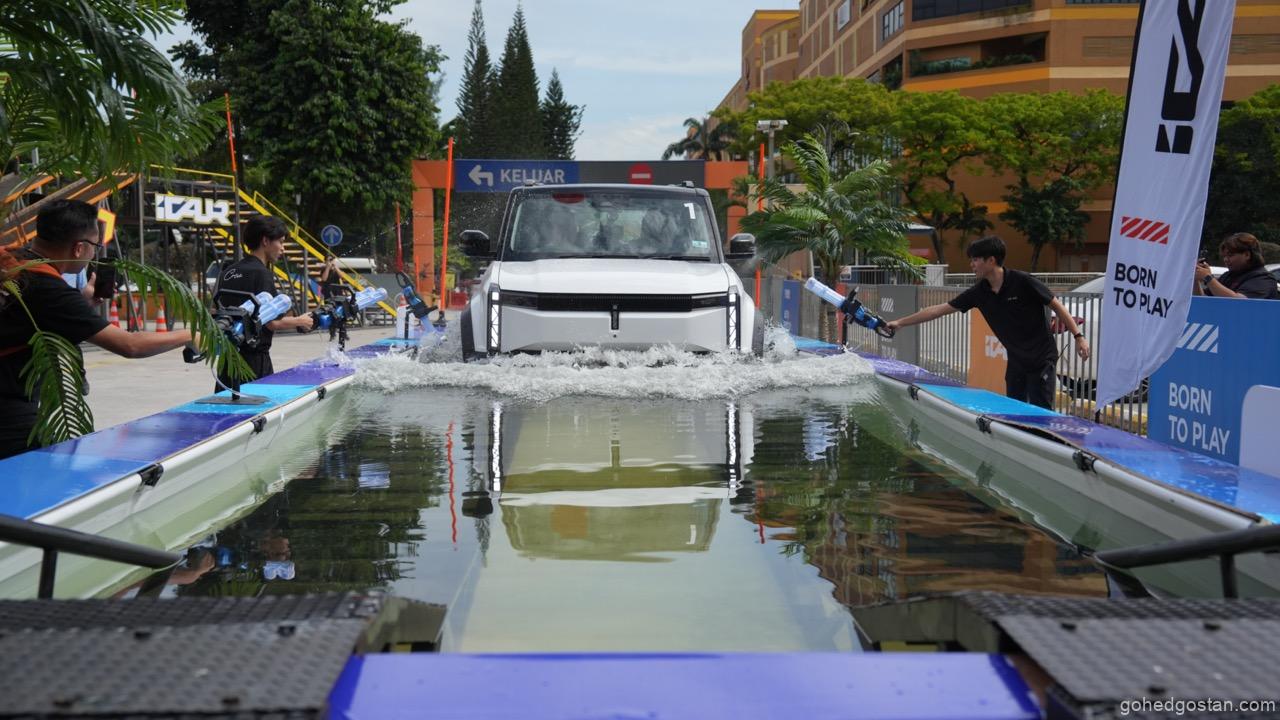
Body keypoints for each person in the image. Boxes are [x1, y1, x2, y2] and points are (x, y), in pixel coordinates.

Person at [0, 200, 195, 459]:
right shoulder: (48, 287)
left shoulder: (13, 259)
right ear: (79, 248)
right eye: (95, 246)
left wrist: (80, 304)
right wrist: (192, 334)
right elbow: (130, 345)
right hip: (8, 412)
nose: (94, 253)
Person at [886, 235, 1090, 410]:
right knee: (1015, 411)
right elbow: (938, 310)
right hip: (1017, 361)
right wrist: (901, 322)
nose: (971, 264)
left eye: (975, 259)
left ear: (991, 260)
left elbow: (1057, 306)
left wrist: (1079, 337)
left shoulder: (1022, 281)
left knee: (1041, 413)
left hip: (1041, 359)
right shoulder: (979, 292)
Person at [214, 216, 314, 390]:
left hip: (227, 362)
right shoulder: (262, 274)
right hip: (254, 362)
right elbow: (270, 322)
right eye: (280, 242)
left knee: (226, 404)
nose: (282, 248)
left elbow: (217, 310)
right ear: (265, 241)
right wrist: (301, 321)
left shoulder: (228, 271)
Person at [1194, 232, 1279, 300]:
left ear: (1247, 255)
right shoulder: (1227, 276)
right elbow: (1202, 299)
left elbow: (1239, 302)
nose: (1226, 259)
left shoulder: (1263, 278)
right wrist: (1195, 278)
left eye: (1230, 255)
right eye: (1224, 256)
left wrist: (1208, 278)